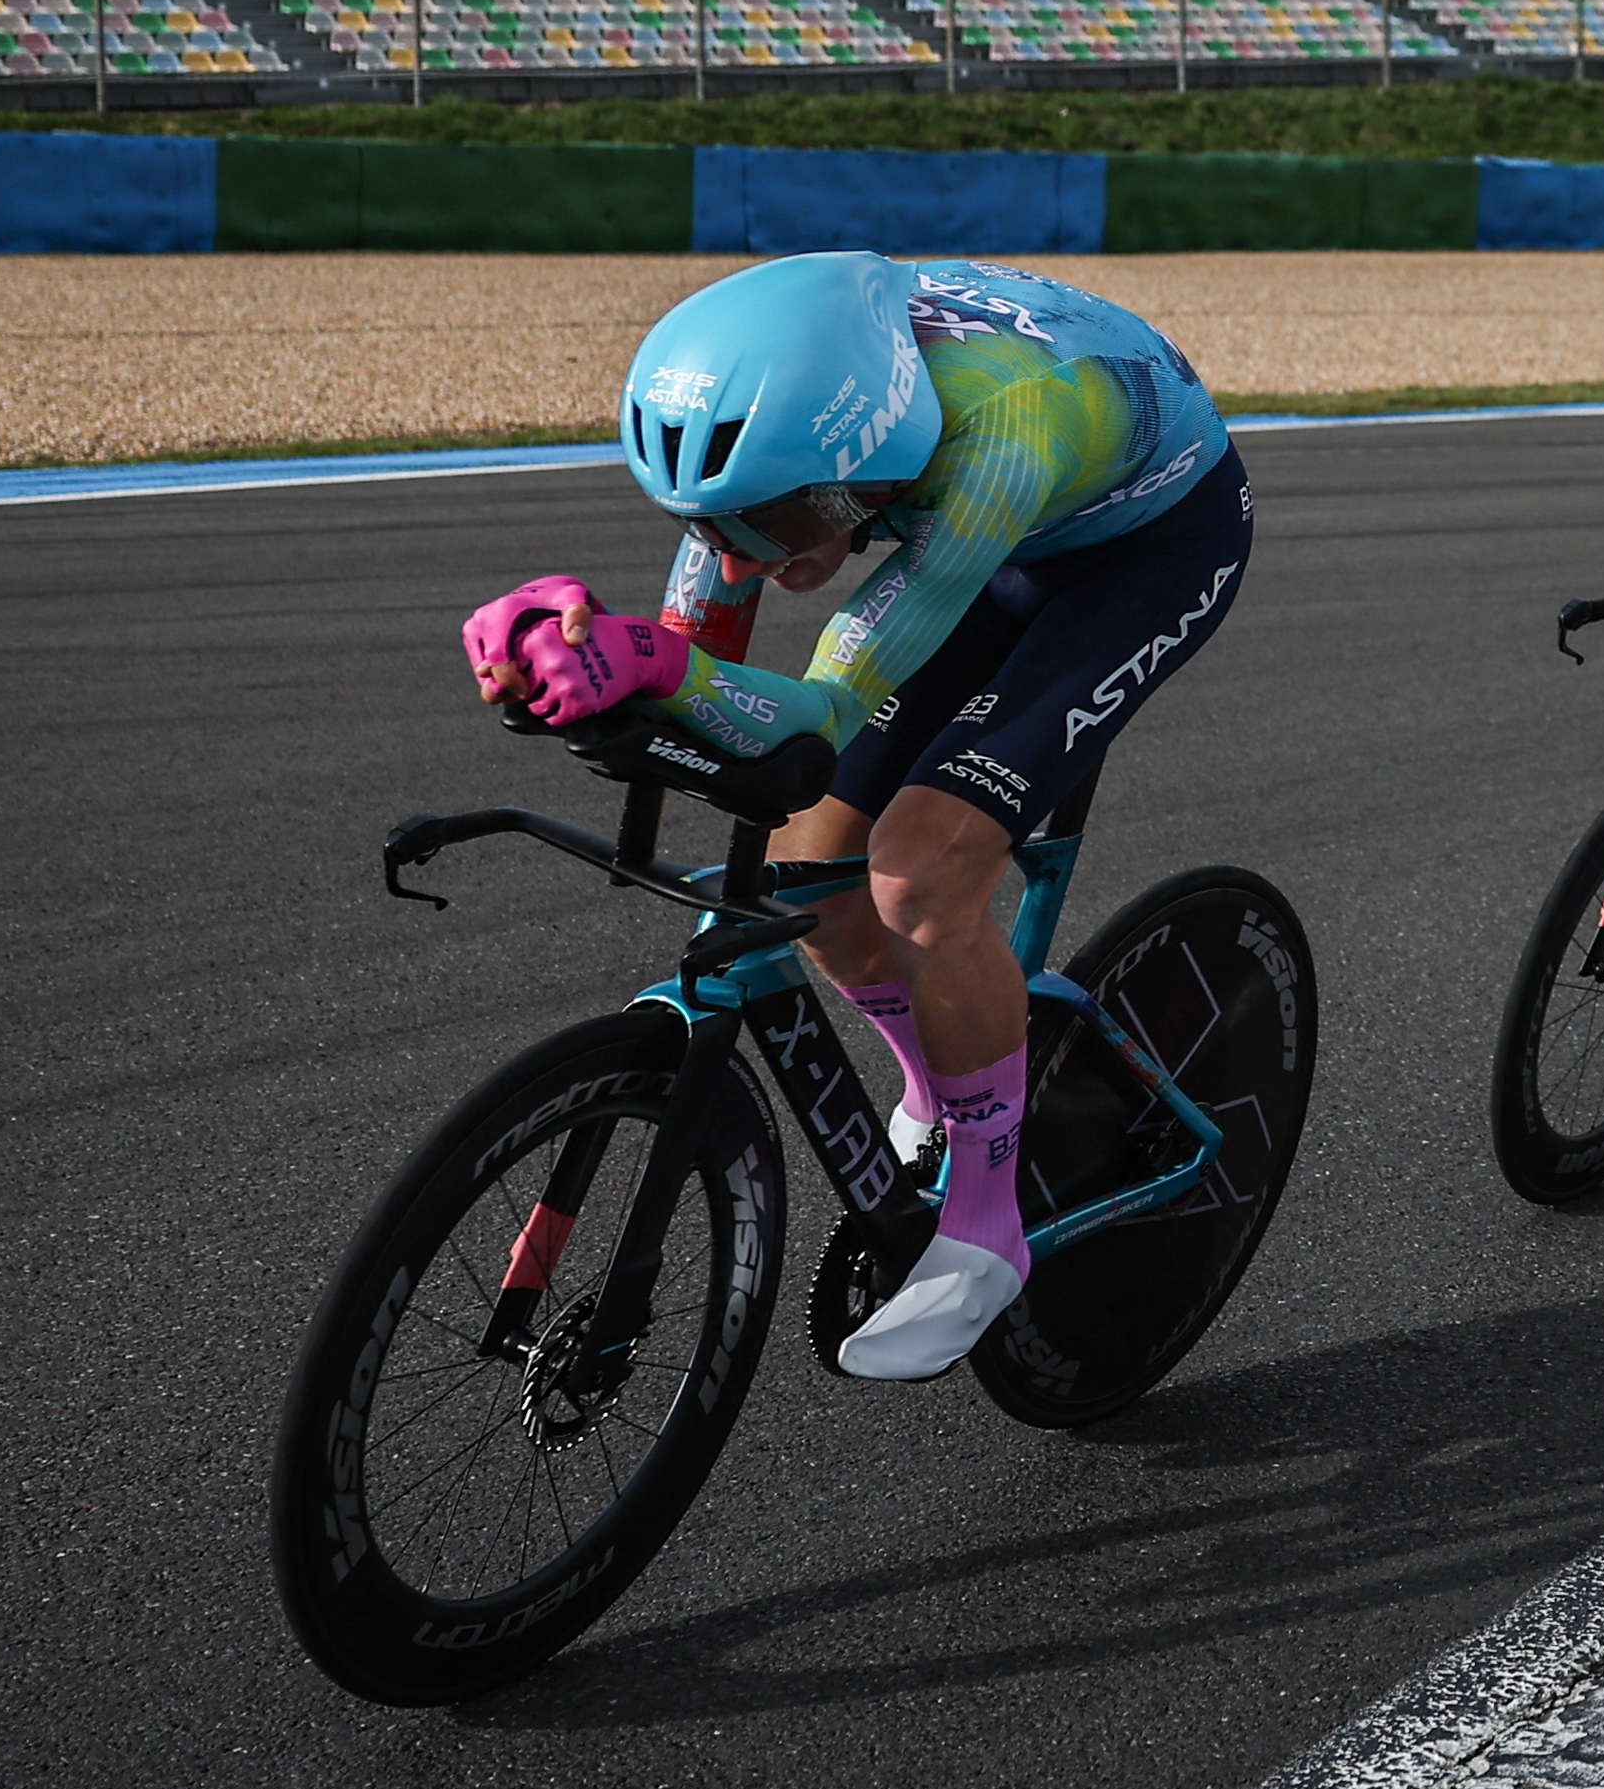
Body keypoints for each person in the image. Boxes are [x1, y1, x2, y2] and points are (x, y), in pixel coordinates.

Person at [458, 252, 1250, 1383]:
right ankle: (938, 1086)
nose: (747, 558)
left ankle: (985, 1228)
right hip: (988, 521)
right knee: (803, 874)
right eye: (715, 526)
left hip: (1143, 548)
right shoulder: (782, 450)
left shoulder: (997, 435)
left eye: (778, 523)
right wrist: (585, 669)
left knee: (920, 873)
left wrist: (649, 665)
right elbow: (707, 664)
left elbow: (824, 707)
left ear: (861, 458)